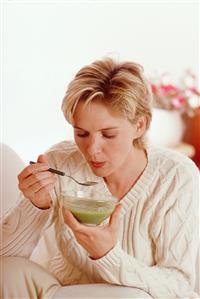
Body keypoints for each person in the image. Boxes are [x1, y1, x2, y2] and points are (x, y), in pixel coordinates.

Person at [0, 58, 199, 299]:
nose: (92, 150)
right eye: (81, 133)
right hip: (67, 294)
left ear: (140, 125)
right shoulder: (61, 163)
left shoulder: (175, 176)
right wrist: (36, 206)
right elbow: (5, 256)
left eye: (108, 134)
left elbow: (179, 287)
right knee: (7, 271)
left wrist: (108, 255)